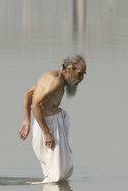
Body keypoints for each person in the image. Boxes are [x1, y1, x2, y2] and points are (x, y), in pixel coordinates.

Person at [18, 54, 86, 183]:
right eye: (80, 73)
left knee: (60, 172)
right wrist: (46, 133)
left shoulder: (55, 77)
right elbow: (35, 105)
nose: (82, 78)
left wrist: (26, 121)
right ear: (70, 69)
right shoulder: (54, 81)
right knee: (57, 175)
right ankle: (39, 188)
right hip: (49, 125)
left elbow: (27, 94)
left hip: (50, 124)